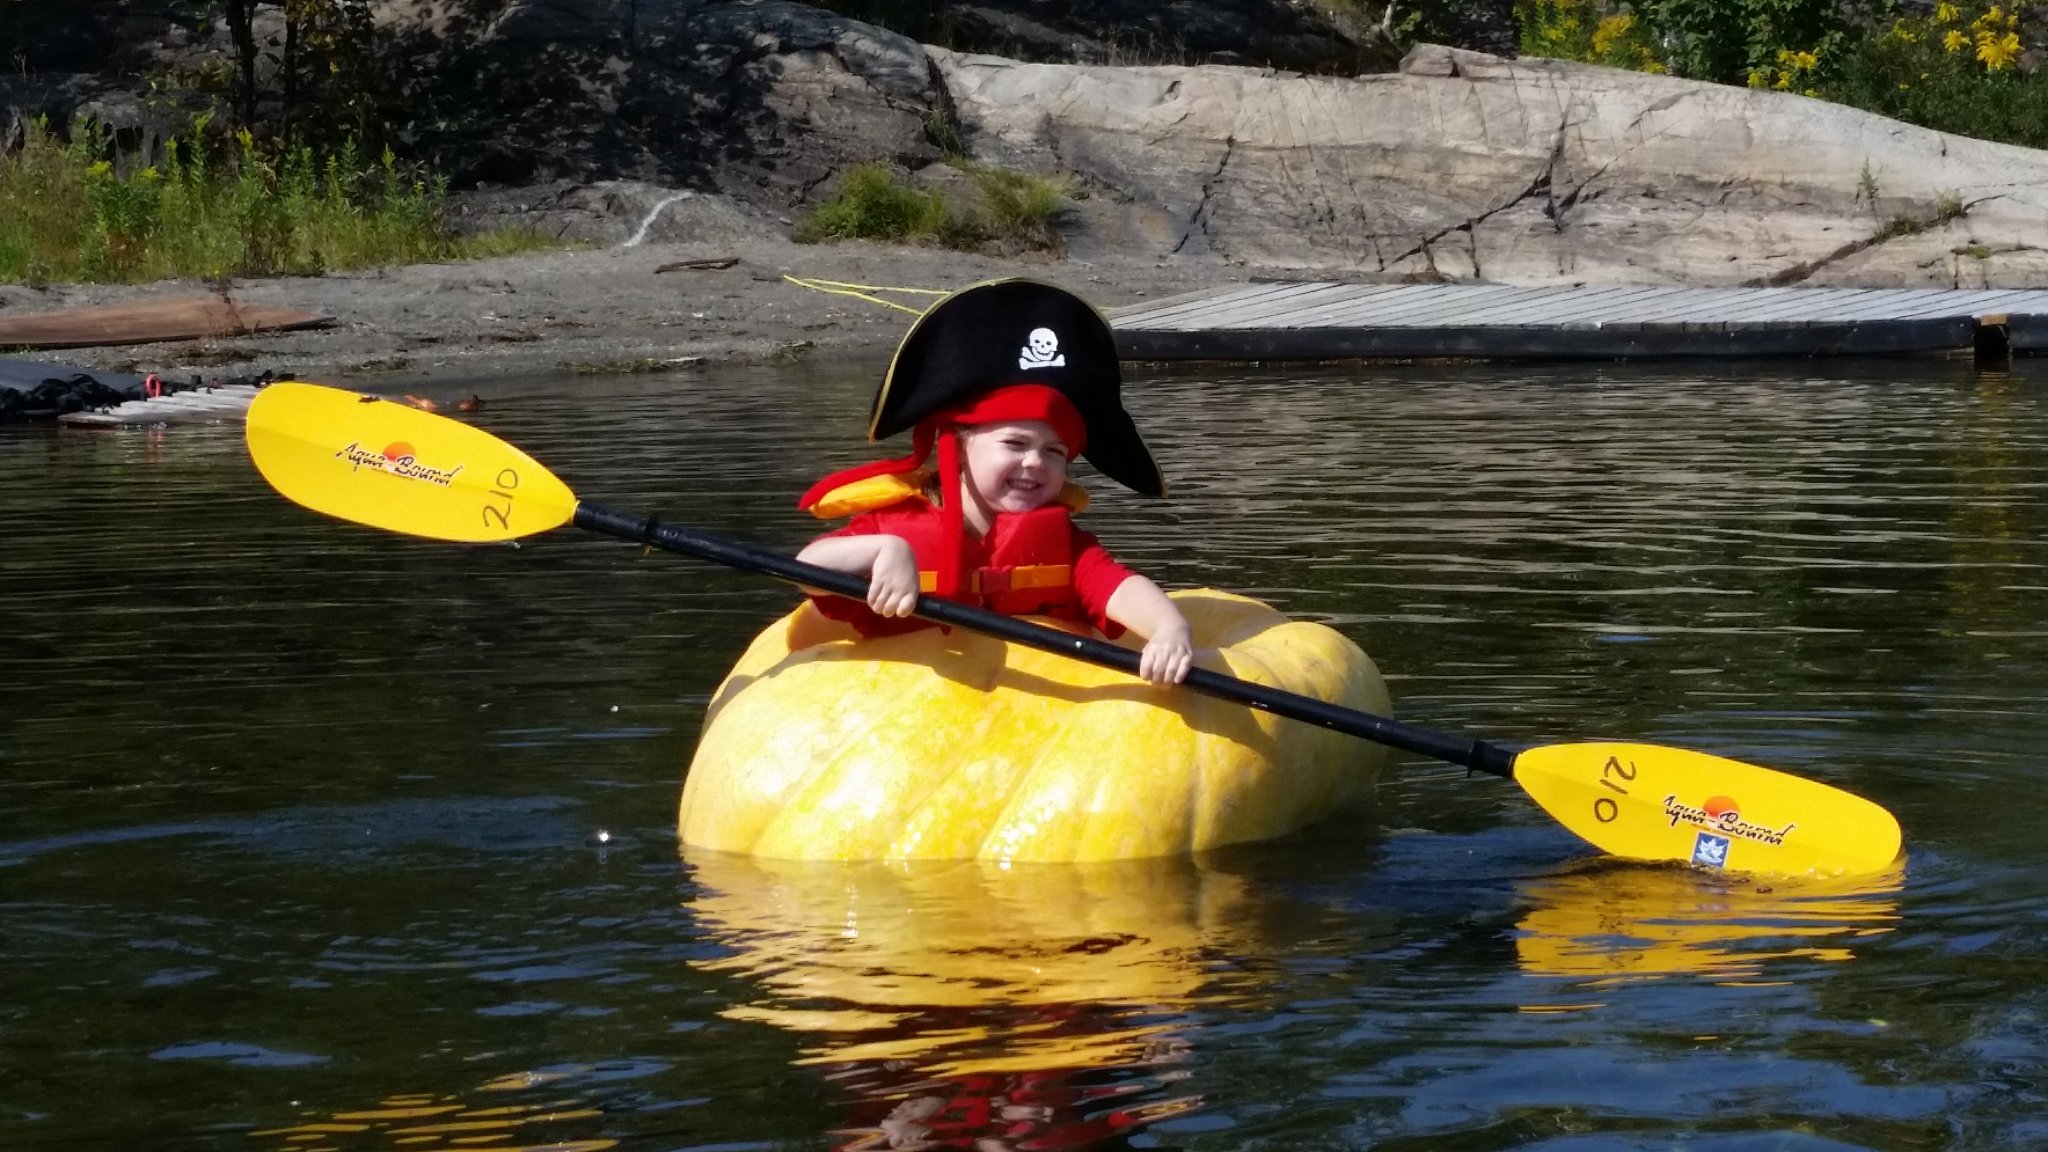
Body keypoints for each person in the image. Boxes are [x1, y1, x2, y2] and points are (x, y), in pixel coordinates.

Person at [794, 279, 1193, 686]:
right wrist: (882, 550)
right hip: (904, 717)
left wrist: (1169, 629)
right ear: (962, 444)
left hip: (1027, 715)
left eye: (1055, 452)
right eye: (1015, 443)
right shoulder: (894, 528)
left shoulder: (1065, 544)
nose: (1035, 461)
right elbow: (807, 568)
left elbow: (1118, 587)